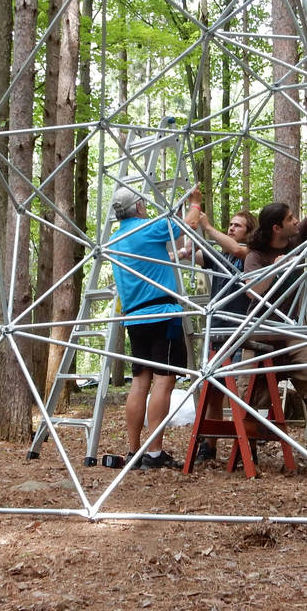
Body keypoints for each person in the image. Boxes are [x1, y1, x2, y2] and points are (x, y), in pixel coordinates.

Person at [106, 184, 203, 470]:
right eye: (143, 203)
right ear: (138, 207)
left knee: (140, 382)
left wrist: (180, 256)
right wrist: (194, 201)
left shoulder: (116, 239)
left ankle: (135, 450)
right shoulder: (146, 228)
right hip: (162, 314)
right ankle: (155, 453)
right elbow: (188, 222)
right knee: (164, 380)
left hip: (135, 318)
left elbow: (151, 262)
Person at [238, 202, 307, 458]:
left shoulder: (297, 240)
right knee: (243, 393)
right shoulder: (255, 256)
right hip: (261, 335)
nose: (296, 221)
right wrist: (277, 268)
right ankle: (246, 453)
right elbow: (253, 291)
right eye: (290, 218)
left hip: (291, 334)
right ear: (276, 227)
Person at [186, 208, 255, 463]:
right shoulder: (218, 255)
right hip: (216, 330)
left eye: (238, 226)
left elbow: (237, 250)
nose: (231, 228)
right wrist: (192, 218)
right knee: (212, 389)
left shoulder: (251, 255)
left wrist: (207, 225)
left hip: (240, 330)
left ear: (249, 232)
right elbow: (191, 253)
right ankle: (209, 445)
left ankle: (246, 446)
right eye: (230, 224)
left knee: (239, 391)